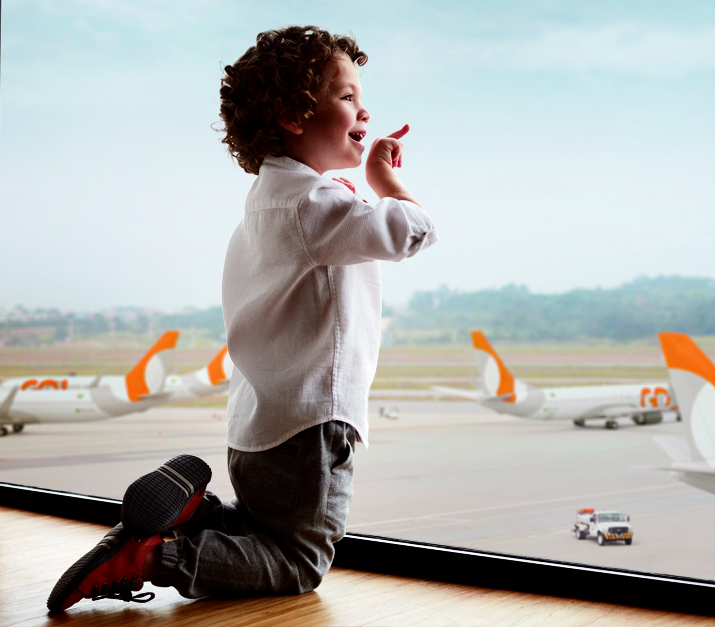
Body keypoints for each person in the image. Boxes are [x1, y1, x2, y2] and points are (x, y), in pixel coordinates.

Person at [47, 25, 437, 612]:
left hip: (258, 426)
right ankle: (152, 558)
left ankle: (193, 516)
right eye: (347, 96)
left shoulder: (267, 202)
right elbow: (413, 231)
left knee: (262, 530)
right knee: (298, 559)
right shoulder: (316, 204)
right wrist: (386, 183)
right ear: (293, 116)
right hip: (310, 423)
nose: (364, 110)